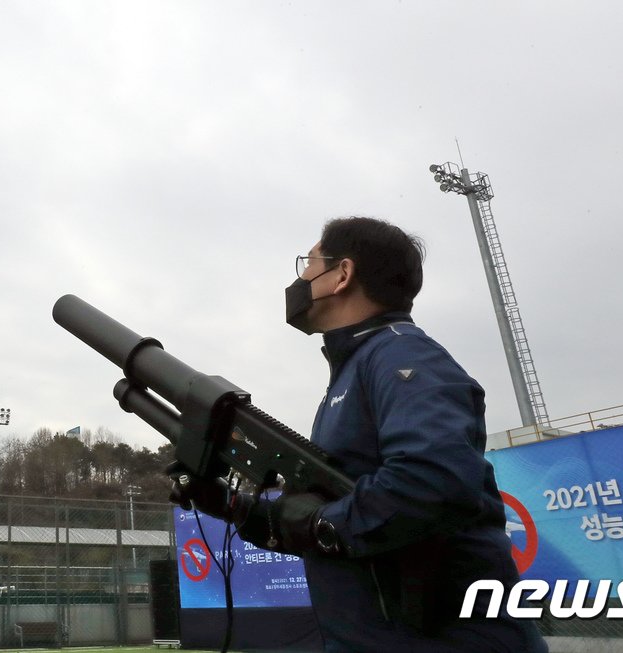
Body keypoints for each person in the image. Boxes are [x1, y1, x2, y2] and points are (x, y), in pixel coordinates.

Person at [171, 216, 547, 652]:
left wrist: (320, 524)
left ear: (342, 275)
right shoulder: (355, 368)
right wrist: (231, 506)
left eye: (307, 265)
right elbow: (343, 518)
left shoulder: (402, 354)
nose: (300, 280)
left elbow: (433, 481)